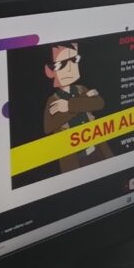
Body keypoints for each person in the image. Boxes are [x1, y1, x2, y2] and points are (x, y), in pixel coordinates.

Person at [43, 42, 113, 172]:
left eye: (74, 60)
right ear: (49, 71)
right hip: (76, 160)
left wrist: (70, 106)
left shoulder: (81, 89)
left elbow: (99, 103)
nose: (71, 69)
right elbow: (48, 127)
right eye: (62, 64)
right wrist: (84, 99)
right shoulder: (53, 100)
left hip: (97, 150)